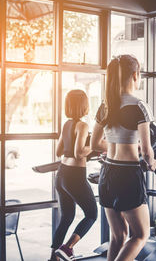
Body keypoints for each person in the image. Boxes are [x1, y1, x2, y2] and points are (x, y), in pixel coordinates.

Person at [91, 54, 156, 261]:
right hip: (128, 176)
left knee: (118, 236)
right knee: (140, 235)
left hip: (107, 173)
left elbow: (94, 144)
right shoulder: (139, 106)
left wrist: (124, 145)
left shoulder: (105, 106)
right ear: (135, 75)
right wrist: (151, 162)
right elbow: (147, 152)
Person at [51, 89, 98, 261]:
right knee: (92, 214)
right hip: (75, 176)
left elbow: (58, 151)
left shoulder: (67, 124)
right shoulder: (83, 125)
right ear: (84, 106)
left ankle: (53, 256)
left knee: (67, 217)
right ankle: (67, 248)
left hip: (62, 174)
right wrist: (94, 144)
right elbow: (79, 153)